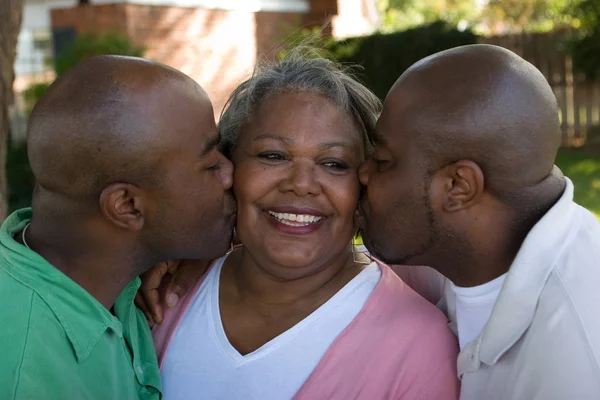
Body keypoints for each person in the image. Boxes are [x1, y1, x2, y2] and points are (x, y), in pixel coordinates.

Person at [148, 52, 460, 399]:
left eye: (333, 164)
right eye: (273, 156)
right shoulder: (159, 297)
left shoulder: (418, 348)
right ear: (229, 167)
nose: (301, 183)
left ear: (365, 185)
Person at [358, 44, 600, 399]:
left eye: (381, 160)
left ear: (458, 187)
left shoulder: (573, 367)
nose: (362, 173)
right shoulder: (470, 246)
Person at [0, 55, 236, 399]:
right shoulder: (29, 377)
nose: (231, 173)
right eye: (211, 163)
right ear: (127, 206)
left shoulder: (105, 270)